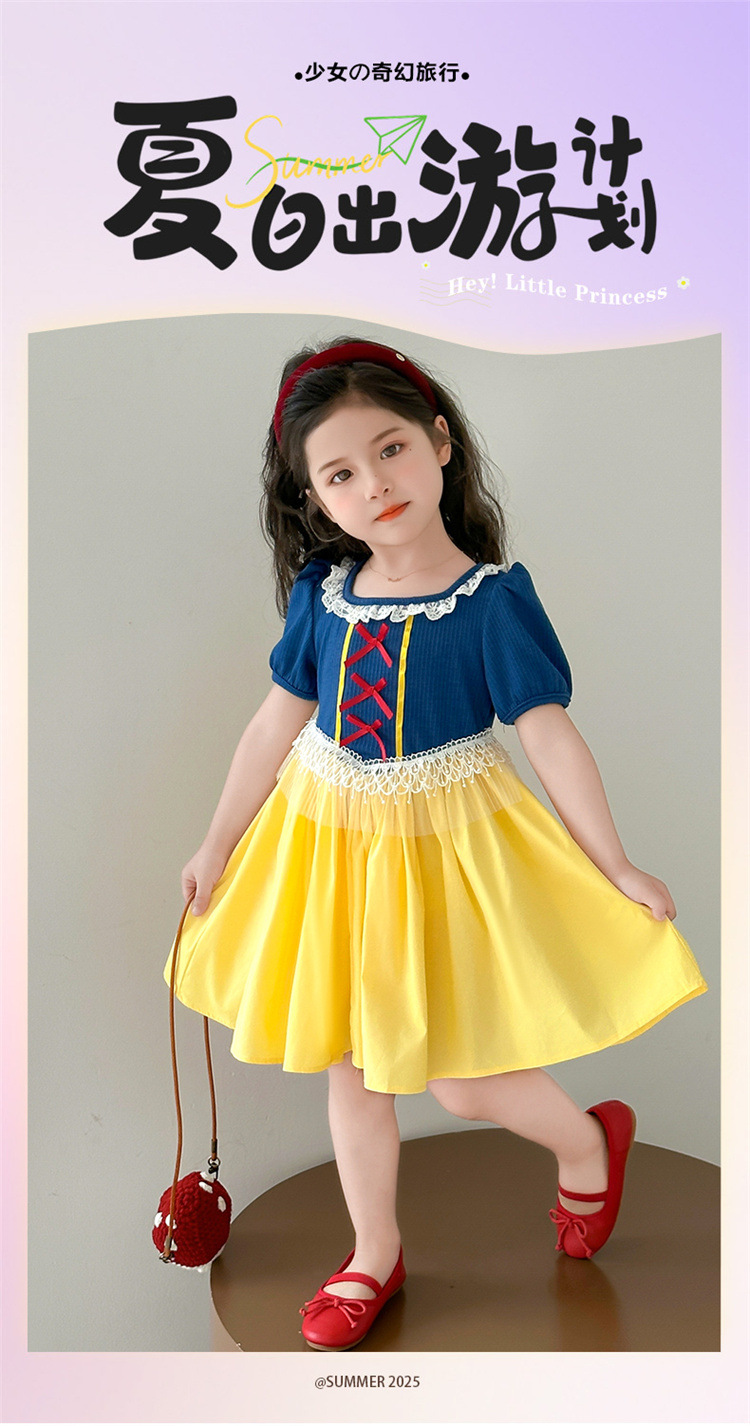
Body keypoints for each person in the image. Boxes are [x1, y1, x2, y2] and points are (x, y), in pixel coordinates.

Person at [164, 336, 708, 1351]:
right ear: (314, 498)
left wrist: (616, 863)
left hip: (447, 855)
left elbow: (550, 735)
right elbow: (273, 725)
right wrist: (217, 842)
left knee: (459, 1077)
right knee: (351, 1063)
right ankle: (373, 1251)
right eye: (340, 473)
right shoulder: (324, 596)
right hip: (328, 849)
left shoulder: (491, 602)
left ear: (440, 443)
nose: (374, 485)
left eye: (391, 450)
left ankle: (588, 1143)